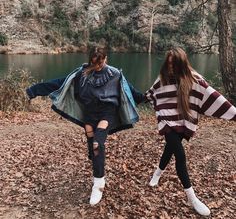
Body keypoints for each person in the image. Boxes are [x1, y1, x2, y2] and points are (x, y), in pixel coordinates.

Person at [26, 47, 144, 206]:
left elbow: (133, 93)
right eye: (95, 63)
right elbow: (59, 83)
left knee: (97, 143)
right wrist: (33, 91)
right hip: (90, 112)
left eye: (101, 62)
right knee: (92, 144)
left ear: (106, 58)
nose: (98, 66)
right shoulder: (81, 74)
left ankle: (99, 183)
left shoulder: (115, 74)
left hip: (107, 111)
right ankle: (96, 163)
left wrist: (153, 97)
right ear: (91, 61)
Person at [145, 47, 236, 216]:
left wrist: (234, 114)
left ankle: (157, 174)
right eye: (169, 64)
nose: (171, 68)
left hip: (183, 121)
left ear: (182, 63)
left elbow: (213, 97)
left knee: (170, 149)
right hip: (167, 121)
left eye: (174, 64)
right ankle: (192, 198)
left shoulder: (194, 79)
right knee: (180, 156)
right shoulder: (163, 79)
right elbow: (151, 94)